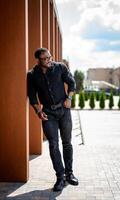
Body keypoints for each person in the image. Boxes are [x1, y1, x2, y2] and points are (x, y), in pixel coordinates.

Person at [27, 48, 79, 191]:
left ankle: (70, 173)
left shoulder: (60, 67)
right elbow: (32, 96)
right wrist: (38, 111)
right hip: (48, 113)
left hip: (64, 111)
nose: (49, 60)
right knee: (53, 145)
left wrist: (69, 98)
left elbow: (72, 82)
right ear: (38, 60)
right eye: (46, 58)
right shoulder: (32, 75)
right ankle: (60, 177)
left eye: (50, 57)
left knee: (67, 143)